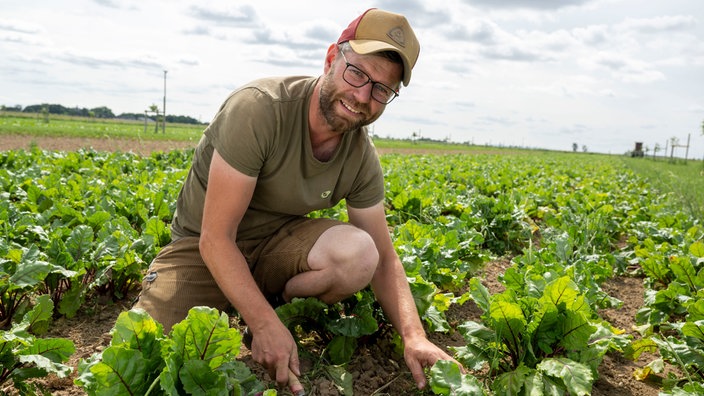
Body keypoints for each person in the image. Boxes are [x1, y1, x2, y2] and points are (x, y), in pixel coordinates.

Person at [133, 7, 459, 392]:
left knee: (360, 253)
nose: (362, 96)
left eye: (381, 90)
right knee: (143, 352)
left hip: (277, 250)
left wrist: (413, 335)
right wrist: (263, 325)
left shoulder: (360, 155)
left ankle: (275, 301)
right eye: (357, 74)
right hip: (203, 249)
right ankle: (258, 312)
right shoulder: (259, 110)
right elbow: (215, 238)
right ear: (330, 59)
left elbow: (385, 261)